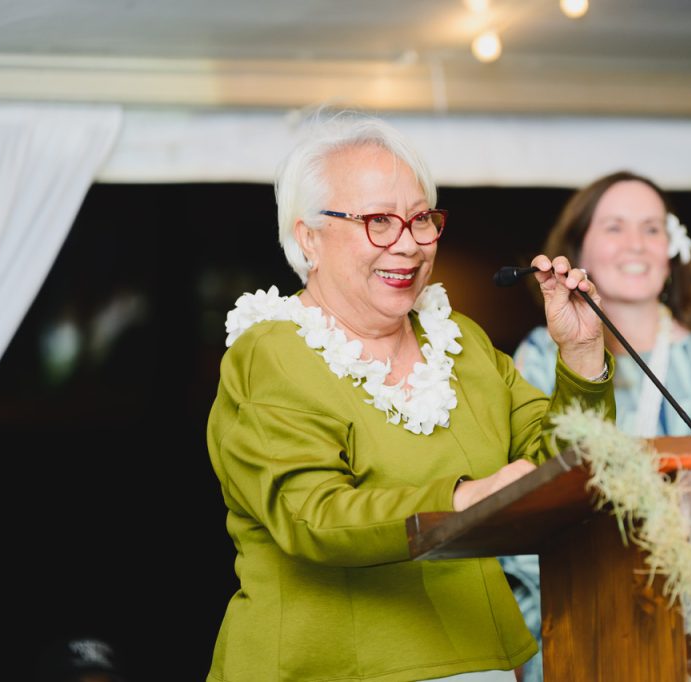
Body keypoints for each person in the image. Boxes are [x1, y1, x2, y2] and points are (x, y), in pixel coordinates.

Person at [205, 112, 614, 682]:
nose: (408, 245)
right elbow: (312, 517)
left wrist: (581, 353)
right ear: (308, 237)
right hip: (323, 669)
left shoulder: (461, 342)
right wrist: (467, 500)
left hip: (484, 662)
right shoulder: (273, 352)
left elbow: (562, 474)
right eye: (378, 221)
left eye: (420, 219)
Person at [501, 170, 691, 681]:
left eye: (651, 228)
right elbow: (523, 499)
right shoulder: (536, 358)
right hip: (569, 620)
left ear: (672, 248)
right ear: (580, 248)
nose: (636, 244)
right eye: (615, 227)